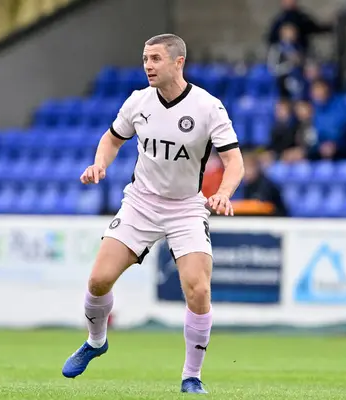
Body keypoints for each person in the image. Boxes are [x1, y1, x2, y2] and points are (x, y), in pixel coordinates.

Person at [61, 34, 244, 395]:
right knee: (98, 281)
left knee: (198, 289)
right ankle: (96, 341)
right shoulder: (138, 102)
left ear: (179, 62)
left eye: (156, 58)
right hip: (141, 203)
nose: (147, 65)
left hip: (186, 208)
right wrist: (99, 165)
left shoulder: (208, 107)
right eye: (145, 58)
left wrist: (223, 193)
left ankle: (191, 376)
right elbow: (112, 139)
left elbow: (234, 161)